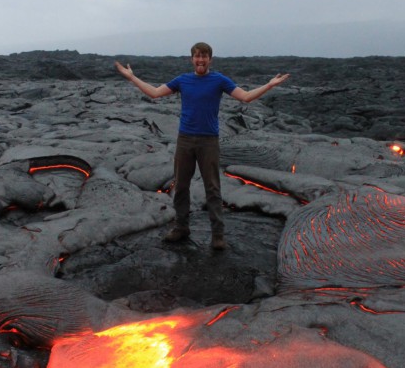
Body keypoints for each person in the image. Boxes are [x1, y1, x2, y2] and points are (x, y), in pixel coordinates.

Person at [115, 42, 290, 250]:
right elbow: (154, 93)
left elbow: (245, 97)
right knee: (180, 186)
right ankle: (181, 227)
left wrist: (269, 85)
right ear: (192, 59)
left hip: (209, 141)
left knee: (213, 188)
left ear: (210, 59)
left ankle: (217, 234)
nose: (200, 60)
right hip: (185, 140)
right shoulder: (183, 80)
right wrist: (132, 77)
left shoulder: (219, 80)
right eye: (197, 56)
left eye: (204, 56)